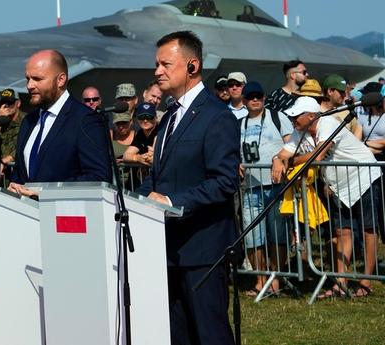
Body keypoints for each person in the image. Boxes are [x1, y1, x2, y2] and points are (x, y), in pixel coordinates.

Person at [137, 31, 239, 345]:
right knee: (176, 335)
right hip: (168, 249)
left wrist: (171, 201)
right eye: (157, 64)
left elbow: (224, 181)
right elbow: (159, 177)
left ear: (192, 66)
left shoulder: (216, 115)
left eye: (166, 64)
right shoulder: (169, 116)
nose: (157, 71)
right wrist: (132, 199)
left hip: (202, 251)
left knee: (209, 335)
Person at [272, 96, 379, 298]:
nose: (293, 119)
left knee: (368, 229)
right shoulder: (299, 131)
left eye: (296, 116)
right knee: (342, 231)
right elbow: (283, 153)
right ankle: (340, 282)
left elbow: (318, 155)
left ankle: (366, 281)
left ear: (311, 116)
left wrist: (290, 161)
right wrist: (277, 159)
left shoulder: (328, 123)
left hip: (364, 177)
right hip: (339, 186)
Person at [8, 50, 111, 196]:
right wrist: (15, 186)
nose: (29, 85)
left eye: (37, 79)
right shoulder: (28, 121)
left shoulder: (85, 119)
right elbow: (20, 171)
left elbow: (98, 177)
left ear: (61, 80)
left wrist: (45, 193)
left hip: (66, 209)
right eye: (28, 79)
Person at [236, 81, 292, 297]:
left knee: (278, 234)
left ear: (264, 98)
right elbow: (231, 150)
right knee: (252, 236)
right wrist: (234, 162)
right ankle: (260, 280)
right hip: (250, 187)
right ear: (244, 101)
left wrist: (279, 158)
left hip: (276, 186)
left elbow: (292, 145)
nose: (255, 100)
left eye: (258, 96)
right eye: (251, 97)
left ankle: (275, 279)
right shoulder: (238, 124)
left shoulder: (278, 117)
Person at [0, 88, 24, 184]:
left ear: (18, 103)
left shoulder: (28, 121)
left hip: (18, 177)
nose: (6, 106)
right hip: (1, 178)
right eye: (3, 103)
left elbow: (26, 145)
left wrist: (7, 160)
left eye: (10, 102)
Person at [122, 102, 158, 167]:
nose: (145, 120)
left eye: (149, 117)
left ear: (155, 118)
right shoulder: (140, 134)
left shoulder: (160, 132)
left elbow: (153, 159)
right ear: (137, 119)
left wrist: (150, 157)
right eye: (141, 117)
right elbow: (126, 156)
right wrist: (138, 158)